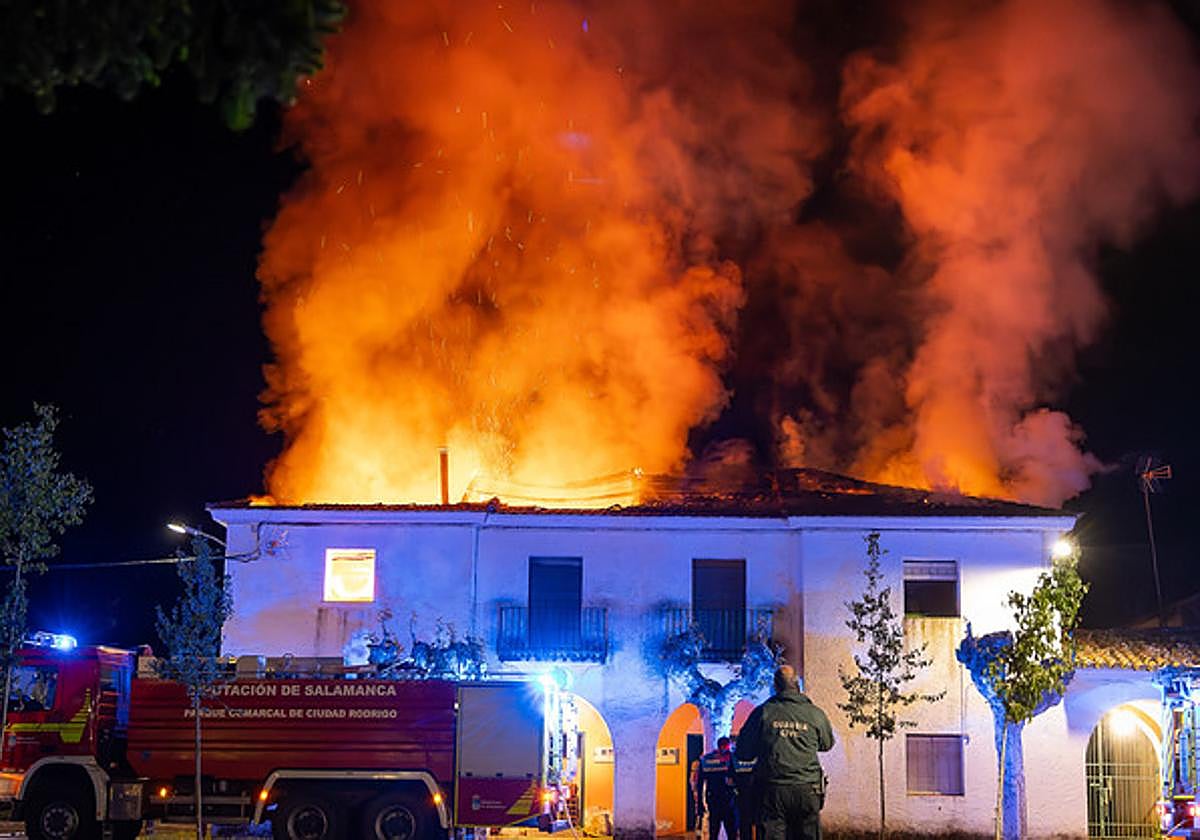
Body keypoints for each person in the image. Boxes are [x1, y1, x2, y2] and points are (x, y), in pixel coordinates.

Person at [734, 666, 834, 840]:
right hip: (808, 788)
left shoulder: (763, 712)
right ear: (797, 686)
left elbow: (743, 752)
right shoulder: (815, 714)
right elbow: (826, 744)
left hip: (772, 790)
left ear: (776, 686)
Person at [696, 735, 739, 840]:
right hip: (718, 800)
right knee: (716, 830)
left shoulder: (732, 759)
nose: (724, 749)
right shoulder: (708, 760)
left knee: (729, 831)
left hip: (726, 800)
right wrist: (700, 802)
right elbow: (700, 781)